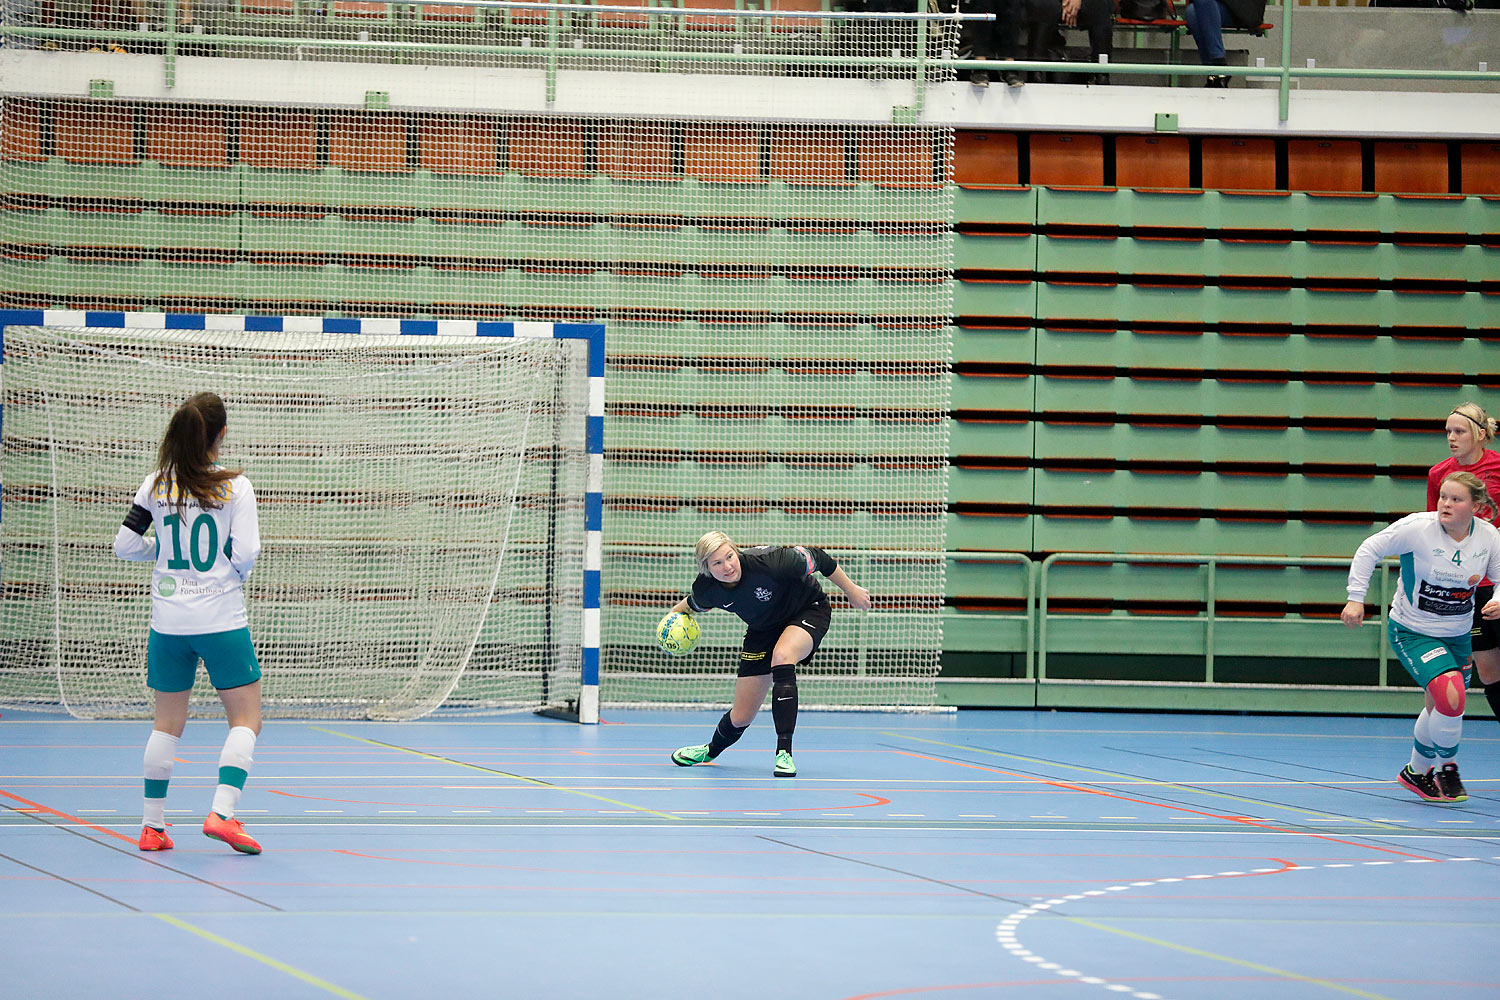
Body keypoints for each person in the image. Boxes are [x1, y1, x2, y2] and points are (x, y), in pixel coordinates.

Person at [113, 392, 265, 854]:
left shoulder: (154, 485)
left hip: (169, 623)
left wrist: (159, 552)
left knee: (166, 723)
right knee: (246, 718)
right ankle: (222, 812)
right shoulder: (235, 487)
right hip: (221, 619)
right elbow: (247, 553)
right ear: (220, 435)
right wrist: (223, 578)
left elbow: (123, 544)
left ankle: (151, 826)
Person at [1342, 471, 1500, 804]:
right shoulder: (1417, 529)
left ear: (1476, 506)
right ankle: (1447, 769)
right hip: (1412, 631)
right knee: (1451, 694)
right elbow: (1370, 548)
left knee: (1442, 706)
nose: (1445, 504)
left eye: (1455, 499)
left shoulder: (1487, 538)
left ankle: (1415, 773)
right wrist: (1356, 598)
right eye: (1443, 496)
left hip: (1457, 634)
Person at [665, 532, 872, 777]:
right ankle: (710, 751)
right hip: (762, 629)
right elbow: (691, 605)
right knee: (741, 716)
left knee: (782, 656)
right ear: (707, 568)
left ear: (736, 550)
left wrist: (851, 589)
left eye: (729, 557)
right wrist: (669, 620)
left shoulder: (773, 562)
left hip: (807, 610)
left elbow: (820, 559)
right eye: (717, 563)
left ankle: (784, 752)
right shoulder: (707, 588)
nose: (727, 566)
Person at [1427, 402, 1500, 727]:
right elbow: (1435, 530)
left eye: (1459, 431)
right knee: (1487, 667)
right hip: (1469, 588)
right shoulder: (1439, 474)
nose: (1452, 438)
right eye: (1448, 432)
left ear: (1481, 434)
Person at [1183, 0, 1267, 88]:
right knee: (1192, 12)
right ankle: (1216, 73)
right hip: (1215, 6)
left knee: (1202, 4)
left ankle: (1218, 64)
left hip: (1244, 10)